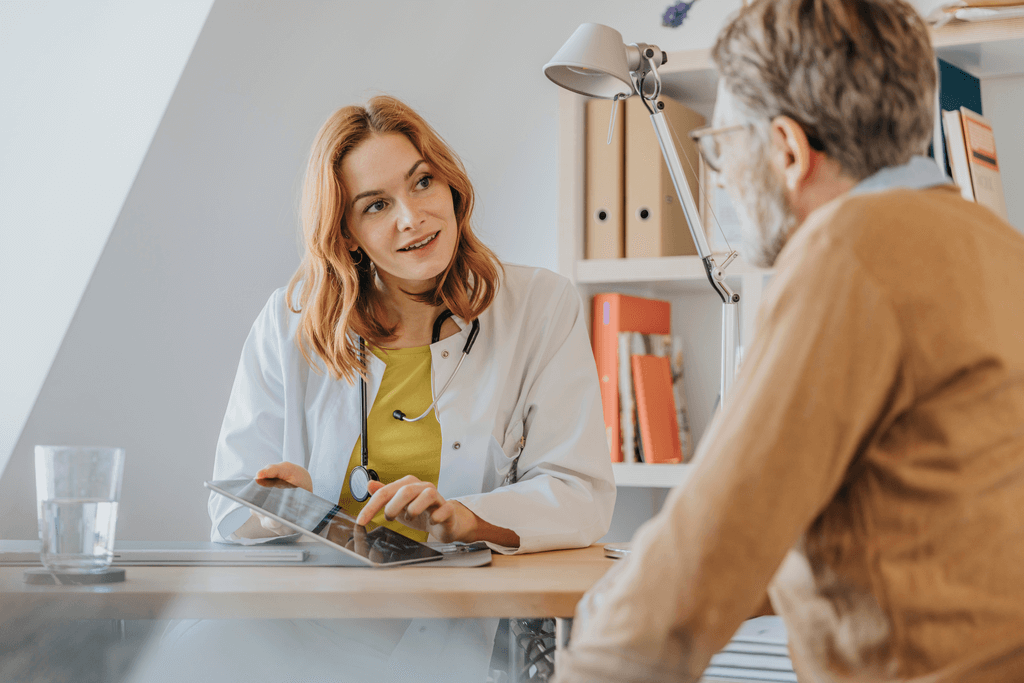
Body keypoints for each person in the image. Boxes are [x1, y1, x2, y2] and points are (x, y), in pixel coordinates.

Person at [554, 1, 1024, 682]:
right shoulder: (998, 247)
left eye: (722, 148)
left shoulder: (851, 249)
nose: (722, 179)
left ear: (787, 150)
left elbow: (707, 548)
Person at [145, 95, 615, 683]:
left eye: (422, 182)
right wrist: (278, 505)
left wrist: (467, 518)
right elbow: (228, 508)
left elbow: (580, 493)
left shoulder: (539, 307)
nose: (411, 217)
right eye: (376, 205)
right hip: (294, 625)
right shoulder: (290, 320)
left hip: (447, 633)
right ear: (346, 234)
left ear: (451, 185)